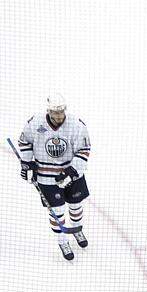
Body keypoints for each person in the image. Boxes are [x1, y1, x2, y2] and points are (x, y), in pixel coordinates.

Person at [16, 93, 92, 260]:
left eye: (61, 111)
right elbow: (24, 142)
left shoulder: (76, 125)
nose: (59, 115)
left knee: (76, 205)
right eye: (55, 112)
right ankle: (62, 240)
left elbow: (84, 150)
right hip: (46, 176)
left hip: (72, 174)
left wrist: (72, 172)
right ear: (48, 110)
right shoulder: (35, 122)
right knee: (56, 212)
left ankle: (77, 230)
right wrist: (28, 163)